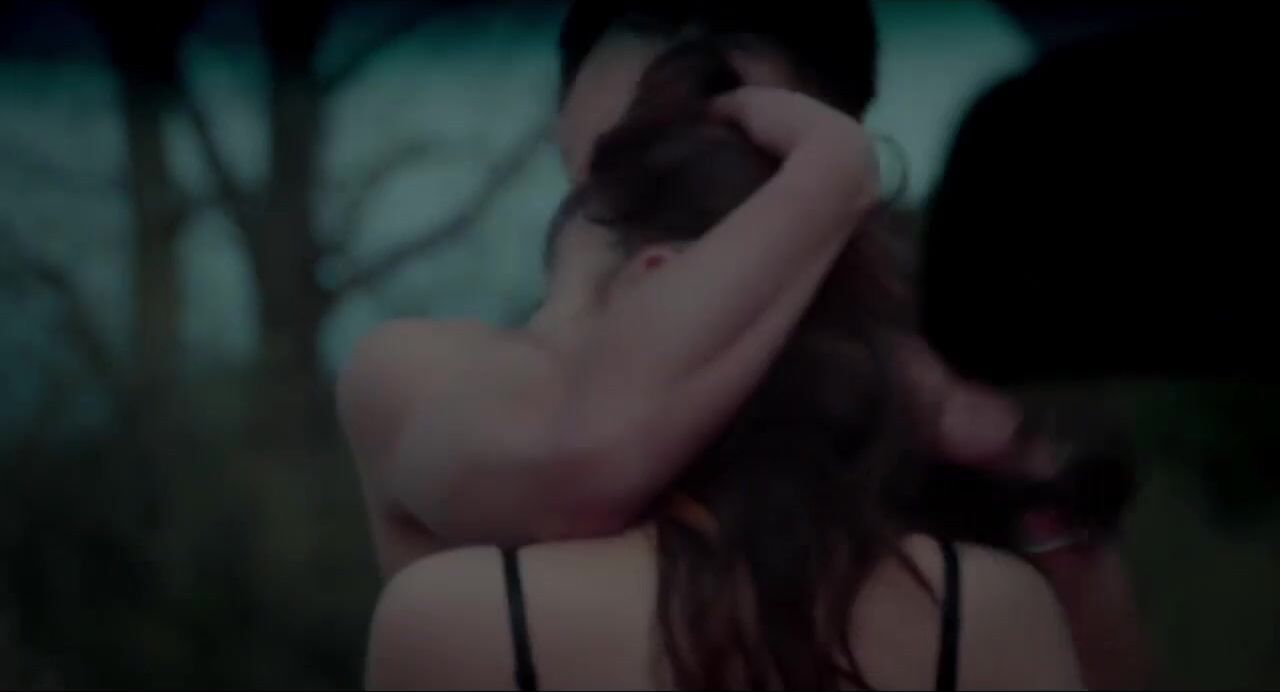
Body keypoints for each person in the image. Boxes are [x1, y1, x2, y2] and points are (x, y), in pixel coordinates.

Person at [338, 2, 1145, 687]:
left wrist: (1034, 492)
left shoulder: (944, 394)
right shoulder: (432, 371)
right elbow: (574, 469)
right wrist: (830, 175)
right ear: (562, 126)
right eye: (623, 163)